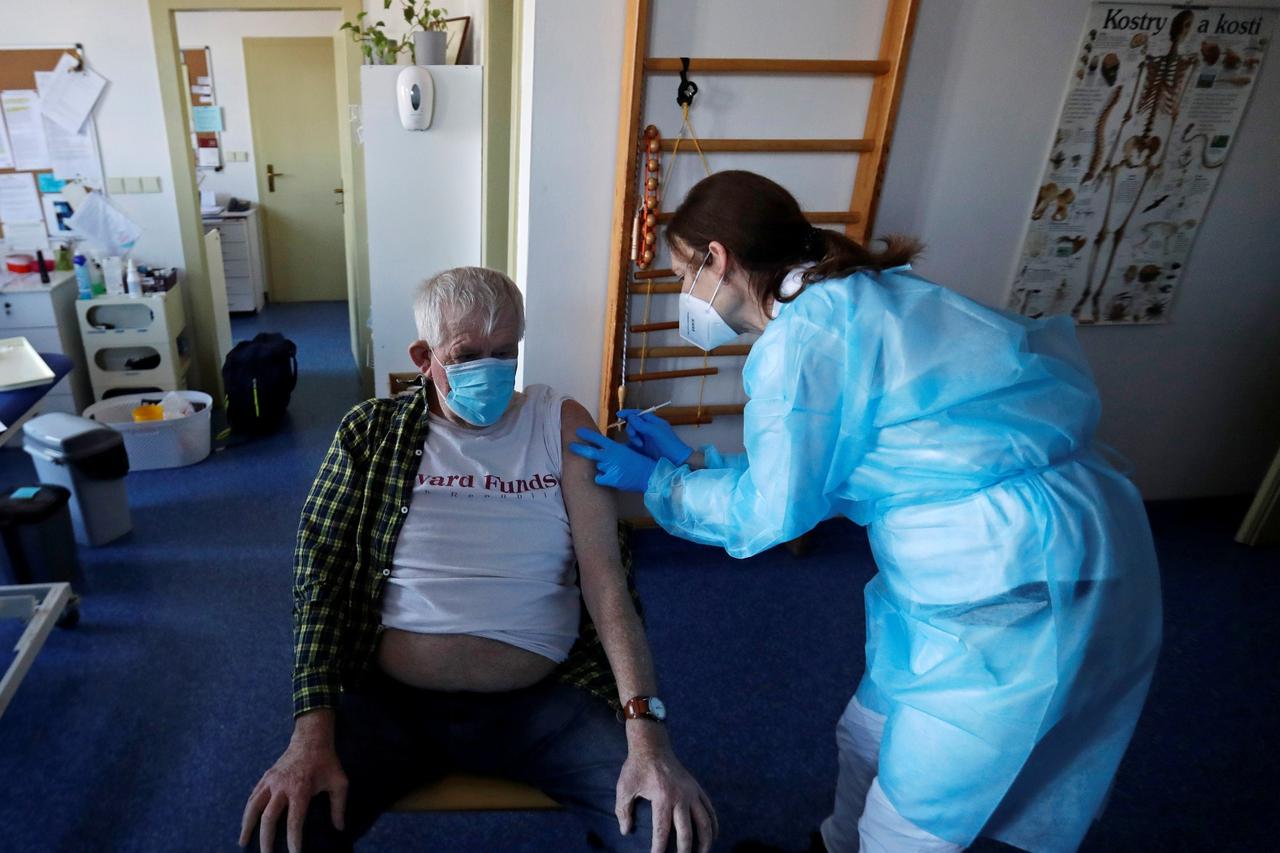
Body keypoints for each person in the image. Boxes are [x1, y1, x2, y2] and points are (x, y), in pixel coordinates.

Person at [571, 171, 1162, 852]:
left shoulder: (803, 341)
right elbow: (828, 467)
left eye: (683, 273)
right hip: (975, 553)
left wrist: (661, 485)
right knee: (864, 735)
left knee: (913, 818)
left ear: (719, 260)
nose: (686, 295)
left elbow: (770, 513)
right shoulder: (846, 293)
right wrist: (693, 464)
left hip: (1010, 578)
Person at [241, 267, 716, 853]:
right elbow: (320, 583)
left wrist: (649, 737)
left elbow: (607, 583)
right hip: (394, 704)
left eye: (505, 353)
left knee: (668, 837)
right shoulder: (371, 433)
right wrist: (309, 735)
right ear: (424, 356)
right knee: (283, 833)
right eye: (467, 355)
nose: (490, 370)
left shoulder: (558, 423)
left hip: (544, 704)